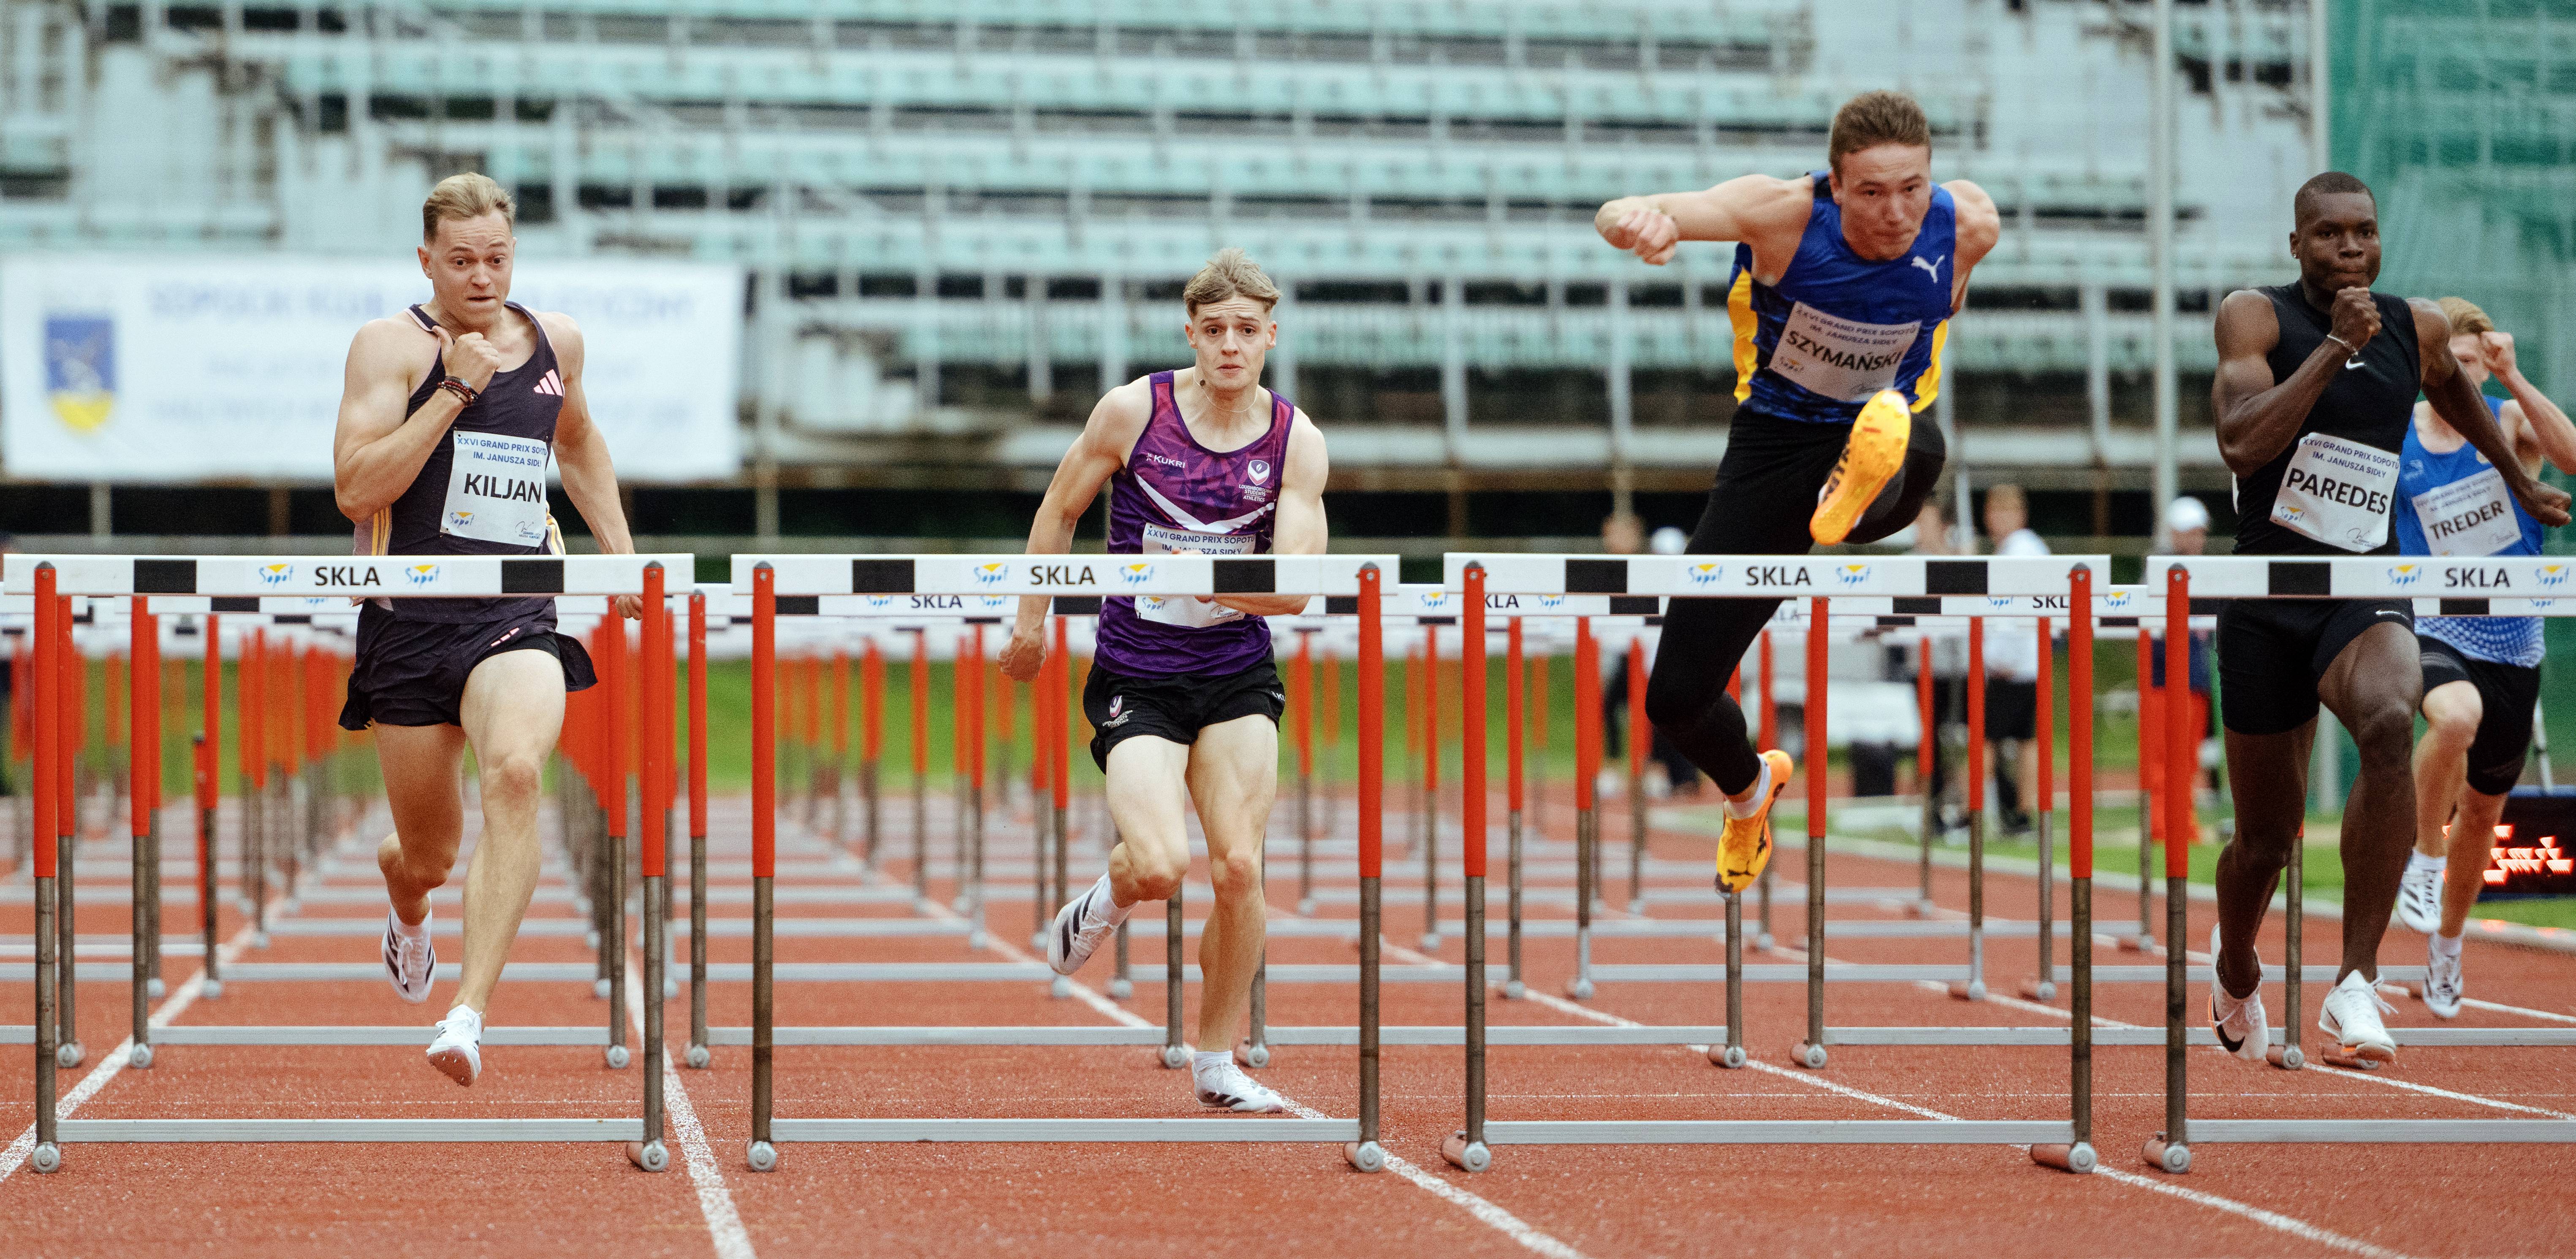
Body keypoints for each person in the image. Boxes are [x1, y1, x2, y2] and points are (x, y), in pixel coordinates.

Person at [2202, 173, 2568, 1067]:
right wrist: (2331, 350)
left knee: (2383, 716)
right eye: (2328, 236)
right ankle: (2234, 965)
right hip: (2264, 592)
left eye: (2363, 233)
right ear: (2296, 245)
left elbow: (2451, 393)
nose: (2349, 249)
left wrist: (2515, 479)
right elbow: (2240, 442)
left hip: (2360, 586)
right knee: (2264, 840)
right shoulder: (2253, 319)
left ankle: (2353, 983)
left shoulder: (2416, 326)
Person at [1593, 89, 1999, 892]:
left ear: (1932, 179)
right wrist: (1638, 222)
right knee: (1674, 698)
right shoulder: (1780, 214)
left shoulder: (1971, 226)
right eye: (1872, 192)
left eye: (1912, 188)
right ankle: (1749, 789)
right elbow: (1629, 208)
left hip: (1895, 434)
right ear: (1835, 184)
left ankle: (1851, 498)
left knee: (1899, 431)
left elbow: (1940, 302)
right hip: (1776, 447)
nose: (1895, 212)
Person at [333, 173, 642, 1086]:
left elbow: (577, 441)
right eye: (461, 261)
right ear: (426, 260)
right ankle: (405, 902)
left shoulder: (555, 343)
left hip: (516, 615)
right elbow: (357, 488)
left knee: (514, 773)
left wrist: (620, 553)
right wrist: (452, 395)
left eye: (497, 259)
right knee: (426, 851)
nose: (481, 276)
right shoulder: (387, 349)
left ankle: (465, 1015)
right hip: (408, 627)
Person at [1003, 249, 1327, 1113]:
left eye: (1245, 332)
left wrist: (1196, 577)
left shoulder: (1295, 440)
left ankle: (1216, 1061)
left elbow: (1294, 585)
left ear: (1269, 337)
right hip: (1136, 677)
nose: (1229, 346)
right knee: (1159, 864)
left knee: (1236, 865)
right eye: (1213, 331)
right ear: (1191, 334)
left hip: (1233, 674)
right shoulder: (1131, 412)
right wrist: (1030, 623)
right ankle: (1106, 900)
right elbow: (1059, 508)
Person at [2391, 298, 2576, 1018]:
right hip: (2433, 625)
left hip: (2514, 637)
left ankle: (2447, 946)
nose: (2458, 380)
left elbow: (2570, 458)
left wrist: (2516, 376)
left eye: (2470, 367)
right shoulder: (2398, 432)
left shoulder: (2504, 420)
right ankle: (2422, 860)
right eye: (2446, 367)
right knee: (2453, 718)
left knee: (2483, 813)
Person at [1979, 485, 2048, 834]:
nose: (1994, 519)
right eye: (1992, 511)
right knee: (2024, 739)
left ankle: (1976, 811)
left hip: (2012, 662)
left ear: (2018, 514)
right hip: (2028, 660)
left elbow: (2013, 610)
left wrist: (1998, 657)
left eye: (2002, 512)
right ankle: (2023, 812)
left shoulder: (2017, 552)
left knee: (1987, 738)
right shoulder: (2029, 548)